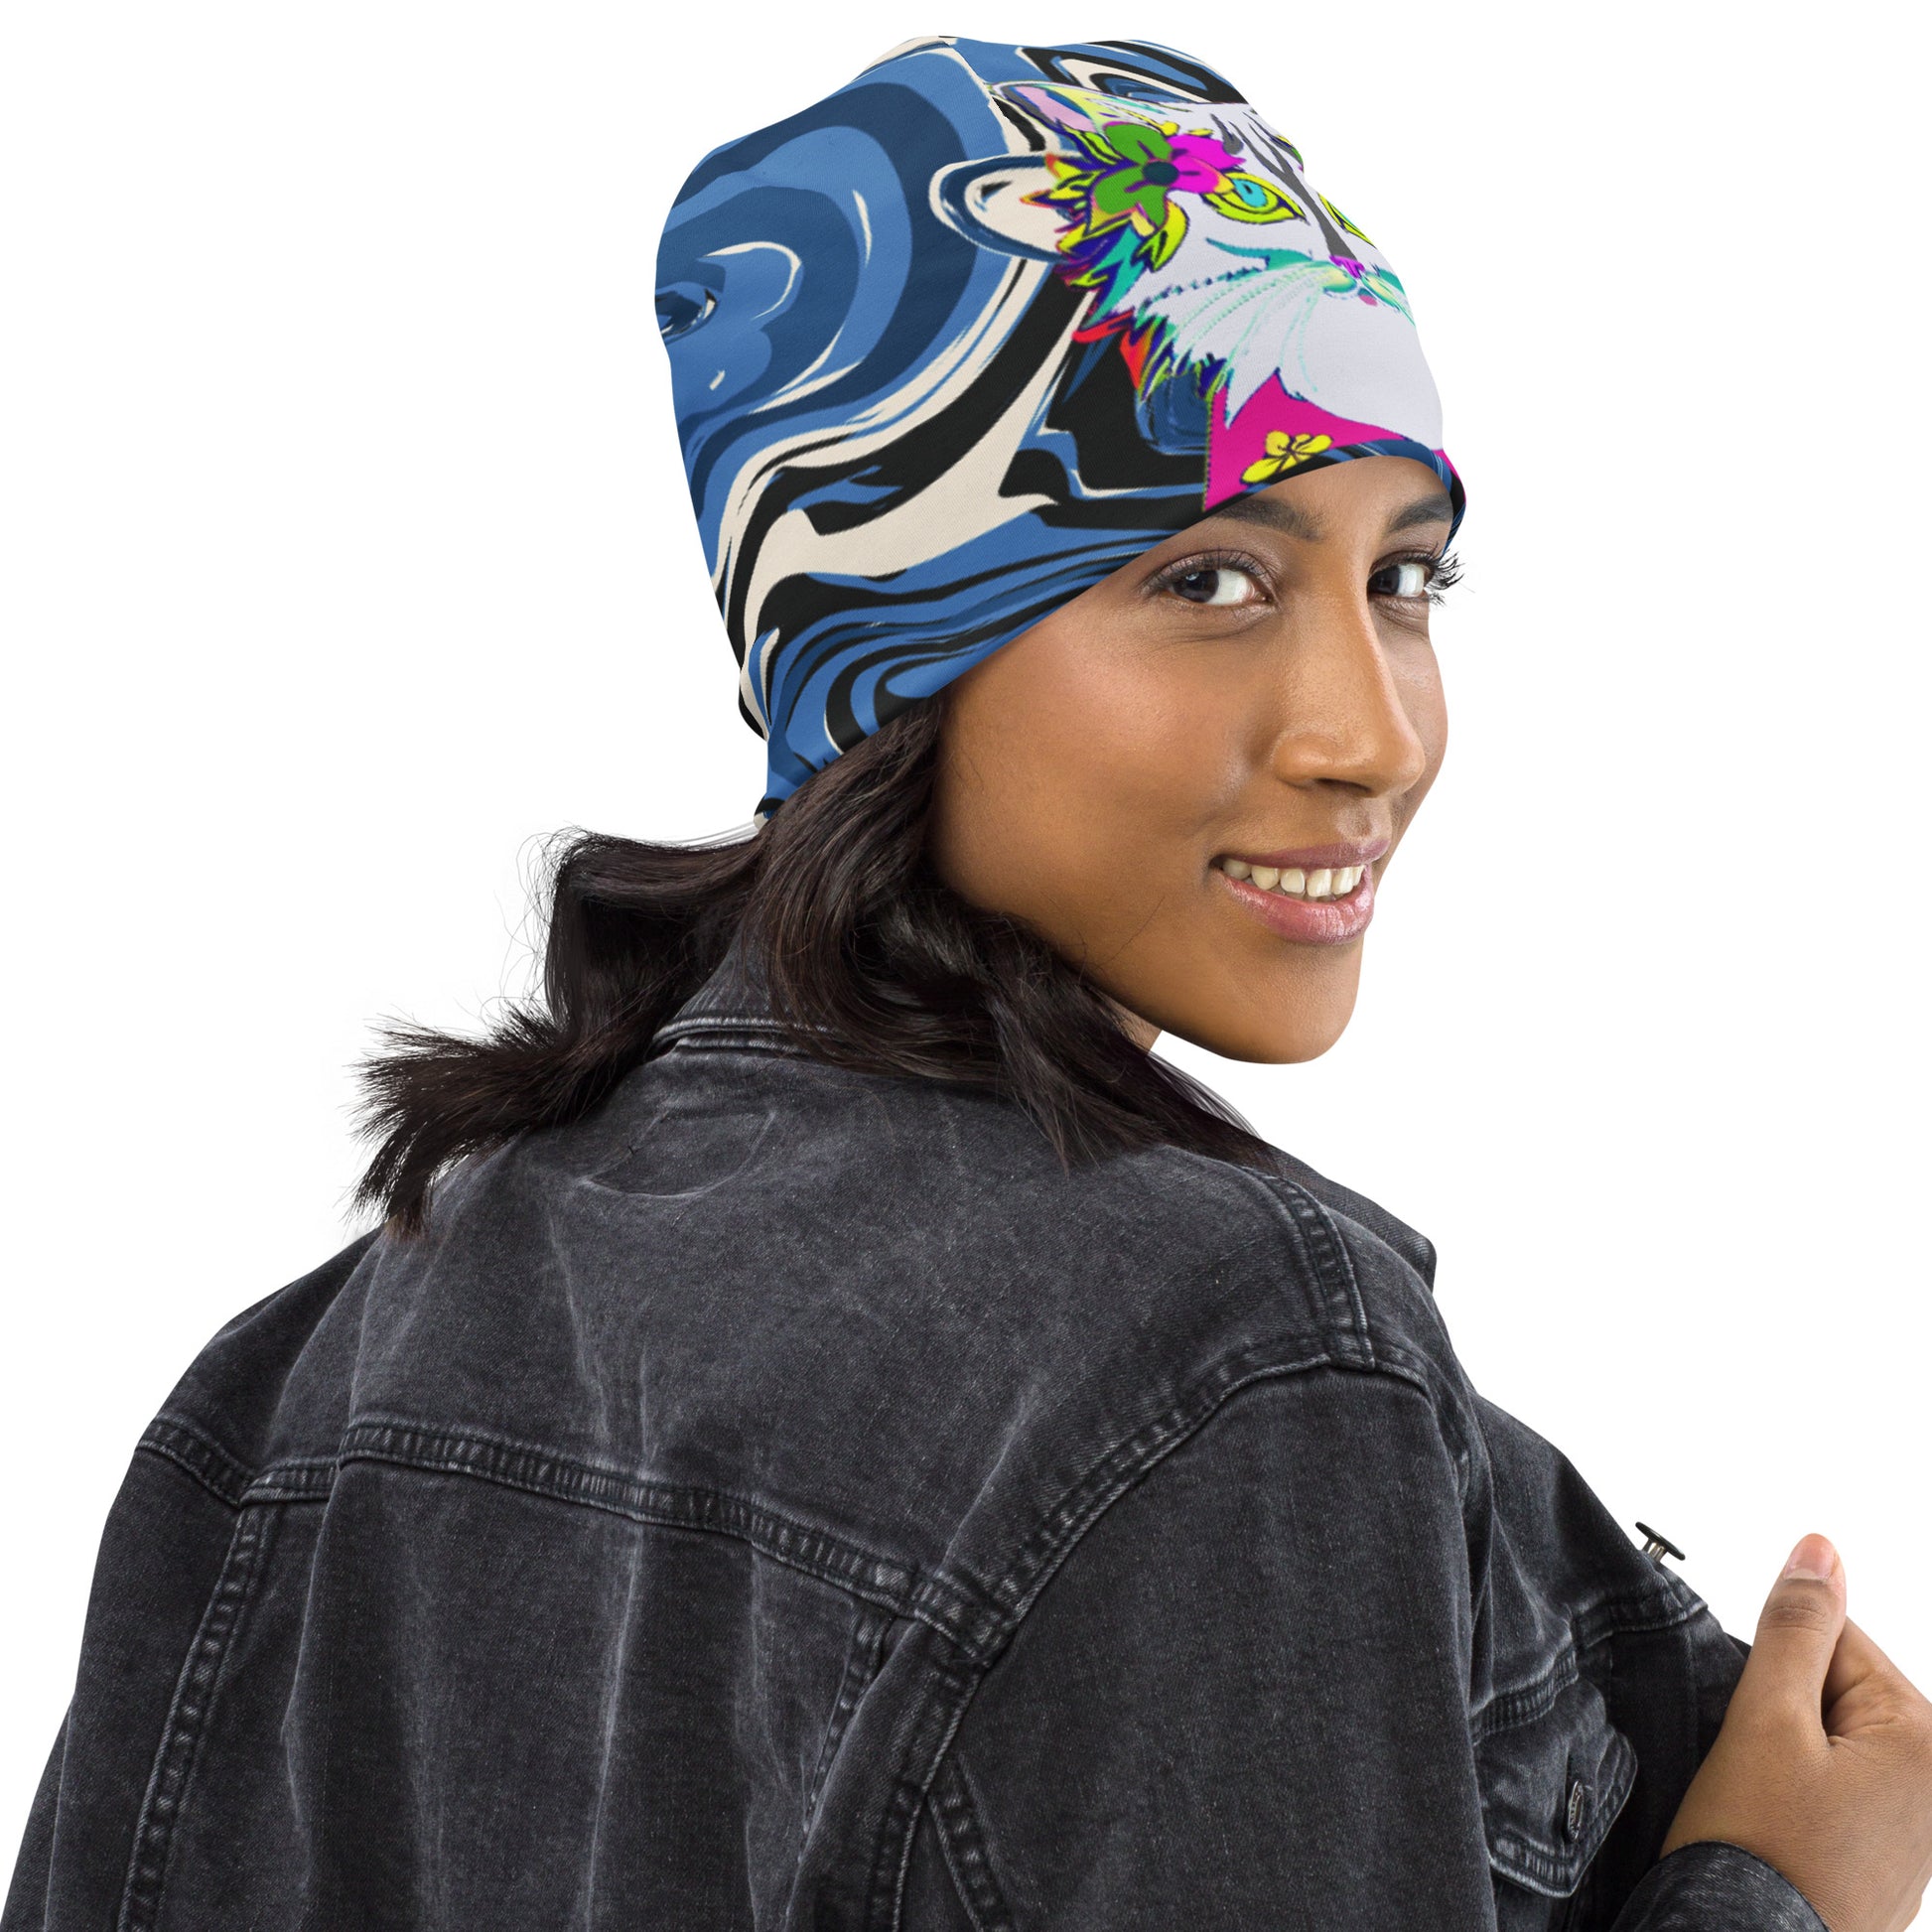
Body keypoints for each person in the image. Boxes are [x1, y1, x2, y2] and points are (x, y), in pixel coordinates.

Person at [5, 33, 1928, 1932]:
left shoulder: (317, 1370)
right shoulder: (1230, 1358)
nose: (1371, 732)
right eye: (1207, 580)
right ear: (881, 648)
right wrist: (1780, 1894)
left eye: (1404, 579)